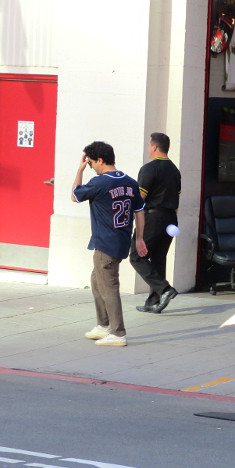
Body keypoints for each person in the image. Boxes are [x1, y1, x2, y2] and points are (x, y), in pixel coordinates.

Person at [72, 141, 147, 347]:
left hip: (106, 243)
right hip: (121, 240)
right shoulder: (130, 182)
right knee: (97, 280)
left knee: (109, 286)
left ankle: (117, 332)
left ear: (100, 160)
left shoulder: (99, 183)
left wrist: (79, 170)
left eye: (90, 163)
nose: (90, 167)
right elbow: (140, 212)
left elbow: (75, 195)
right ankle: (103, 325)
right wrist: (139, 238)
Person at [130, 132, 182, 313]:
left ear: (154, 147)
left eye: (148, 145)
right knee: (159, 259)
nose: (148, 148)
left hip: (152, 218)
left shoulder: (149, 169)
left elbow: (140, 199)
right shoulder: (175, 171)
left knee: (137, 256)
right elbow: (176, 201)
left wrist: (134, 222)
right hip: (171, 219)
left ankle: (165, 290)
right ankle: (154, 301)